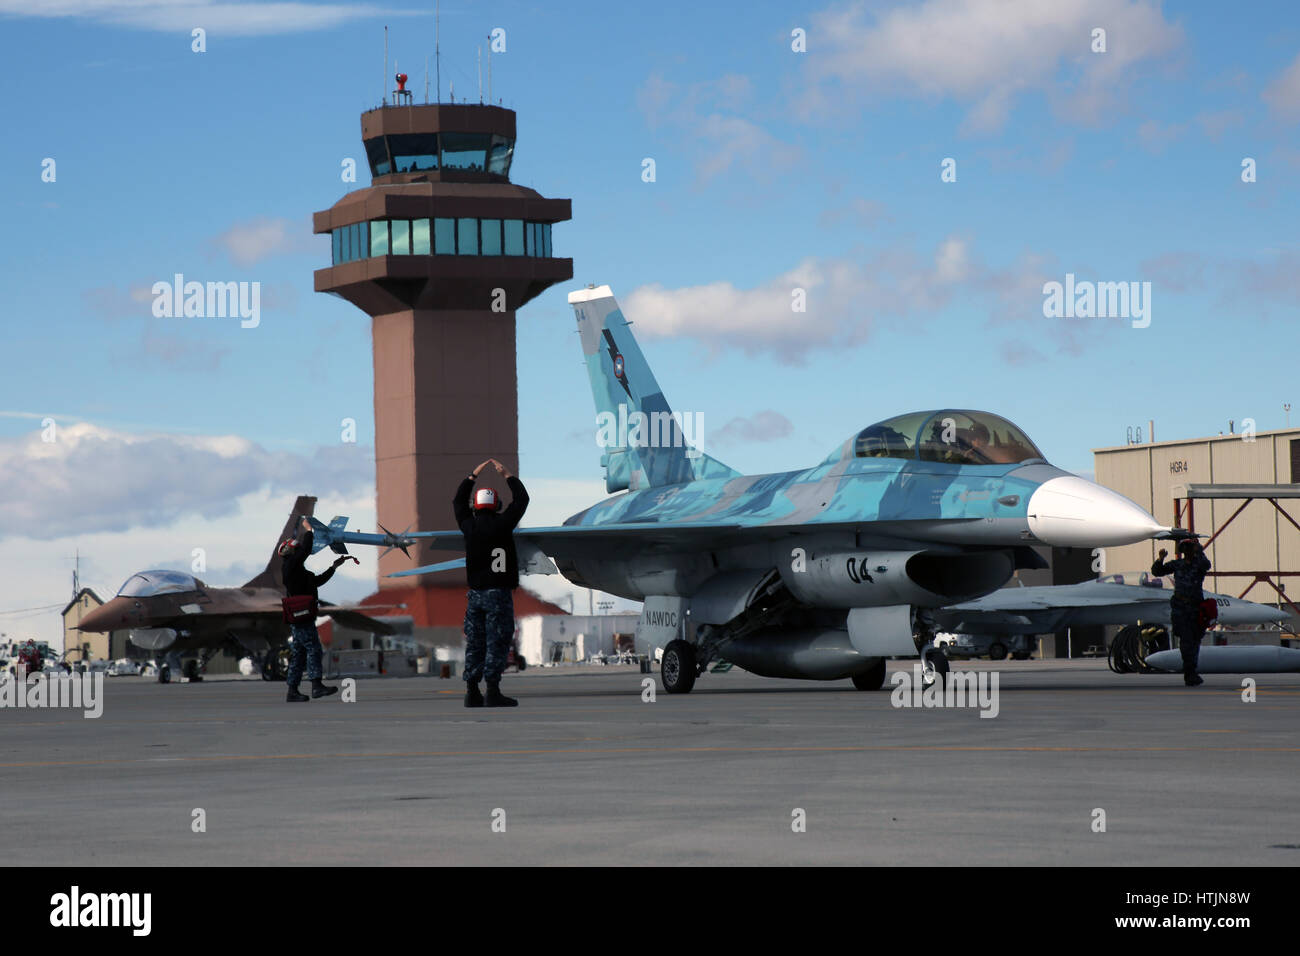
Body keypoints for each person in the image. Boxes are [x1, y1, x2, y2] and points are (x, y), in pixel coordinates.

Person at [454, 458, 529, 707]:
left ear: (475, 505)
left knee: (475, 642)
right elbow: (522, 500)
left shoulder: (468, 526)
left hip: (475, 595)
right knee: (497, 640)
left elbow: (457, 503)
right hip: (498, 594)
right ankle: (493, 691)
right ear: (496, 505)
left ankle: (471, 691)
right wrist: (507, 475)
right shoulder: (504, 524)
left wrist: (471, 477)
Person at [279, 517, 357, 702]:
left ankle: (292, 691)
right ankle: (316, 686)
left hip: (300, 618)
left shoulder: (299, 571)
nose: (300, 551)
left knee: (299, 654)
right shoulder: (290, 566)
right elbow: (305, 550)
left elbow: (317, 581)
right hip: (302, 618)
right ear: (290, 552)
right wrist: (309, 530)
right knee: (314, 649)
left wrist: (334, 567)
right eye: (296, 550)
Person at [1151, 539, 1212, 686]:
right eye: (1186, 549)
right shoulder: (1177, 564)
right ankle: (1189, 672)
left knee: (1195, 640)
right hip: (1181, 608)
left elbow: (1207, 565)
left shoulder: (1199, 563)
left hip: (1195, 608)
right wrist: (1160, 558)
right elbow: (1157, 571)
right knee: (1186, 641)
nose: (1187, 552)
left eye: (1189, 549)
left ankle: (1191, 671)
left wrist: (1199, 549)